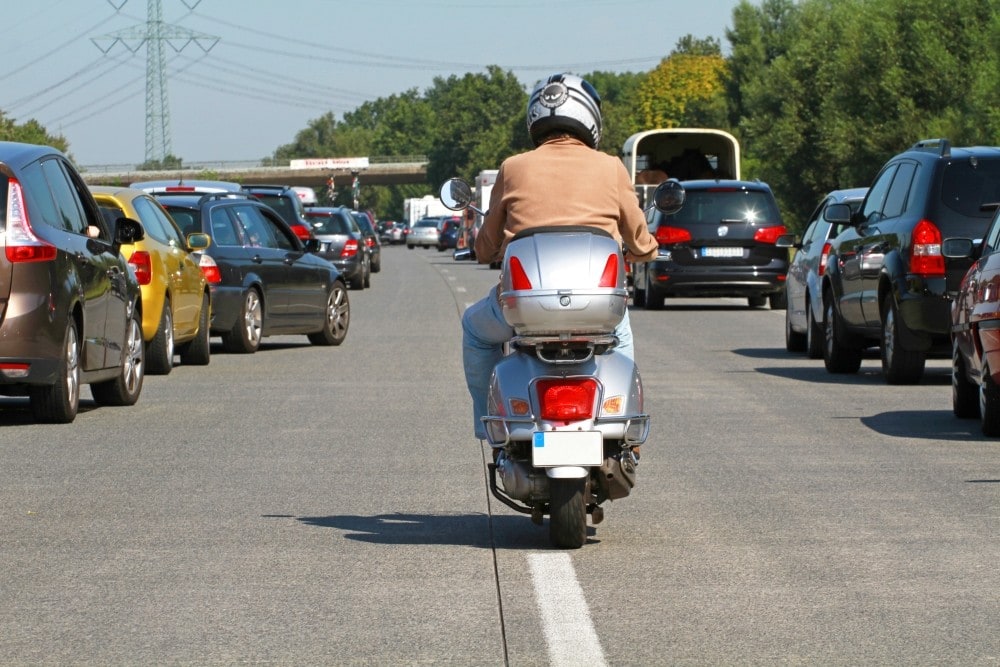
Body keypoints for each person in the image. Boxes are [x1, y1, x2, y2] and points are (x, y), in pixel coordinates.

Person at [461, 72, 660, 440]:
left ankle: (489, 427)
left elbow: (485, 247)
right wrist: (644, 250)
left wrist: (488, 248)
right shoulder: (611, 167)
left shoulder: (513, 167)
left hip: (525, 309)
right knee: (621, 341)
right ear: (589, 117)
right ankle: (623, 430)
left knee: (474, 329)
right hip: (597, 309)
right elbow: (641, 241)